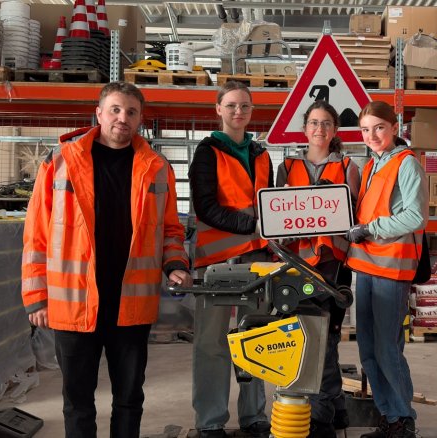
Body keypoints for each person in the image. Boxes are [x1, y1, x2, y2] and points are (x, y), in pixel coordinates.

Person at [21, 81, 190, 438]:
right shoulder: (60, 161)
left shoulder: (157, 168)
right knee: (77, 400)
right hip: (74, 304)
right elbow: (36, 234)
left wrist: (176, 264)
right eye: (114, 109)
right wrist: (36, 296)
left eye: (130, 112)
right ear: (98, 114)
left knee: (129, 397)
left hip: (130, 305)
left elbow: (171, 230)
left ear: (140, 119)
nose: (122, 118)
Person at [189, 80, 271, 438]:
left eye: (246, 106)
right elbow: (206, 208)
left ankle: (254, 416)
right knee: (212, 343)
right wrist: (253, 224)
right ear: (218, 109)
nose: (239, 112)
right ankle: (210, 422)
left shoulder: (262, 153)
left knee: (256, 337)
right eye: (232, 105)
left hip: (258, 259)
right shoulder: (208, 152)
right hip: (218, 262)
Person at [274, 100, 360, 437]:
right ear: (304, 128)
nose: (319, 129)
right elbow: (279, 212)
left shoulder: (349, 166)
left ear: (335, 130)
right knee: (308, 337)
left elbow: (351, 214)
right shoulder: (288, 166)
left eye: (326, 123)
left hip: (331, 265)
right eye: (313, 123)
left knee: (325, 338)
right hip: (296, 265)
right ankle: (335, 406)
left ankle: (324, 415)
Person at [345, 101, 427, 438]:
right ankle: (388, 416)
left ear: (394, 128)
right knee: (367, 348)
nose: (372, 135)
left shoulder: (406, 164)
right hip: (365, 267)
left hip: (391, 270)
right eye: (366, 129)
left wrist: (369, 229)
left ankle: (403, 418)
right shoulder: (371, 166)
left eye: (379, 127)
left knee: (387, 348)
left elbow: (415, 216)